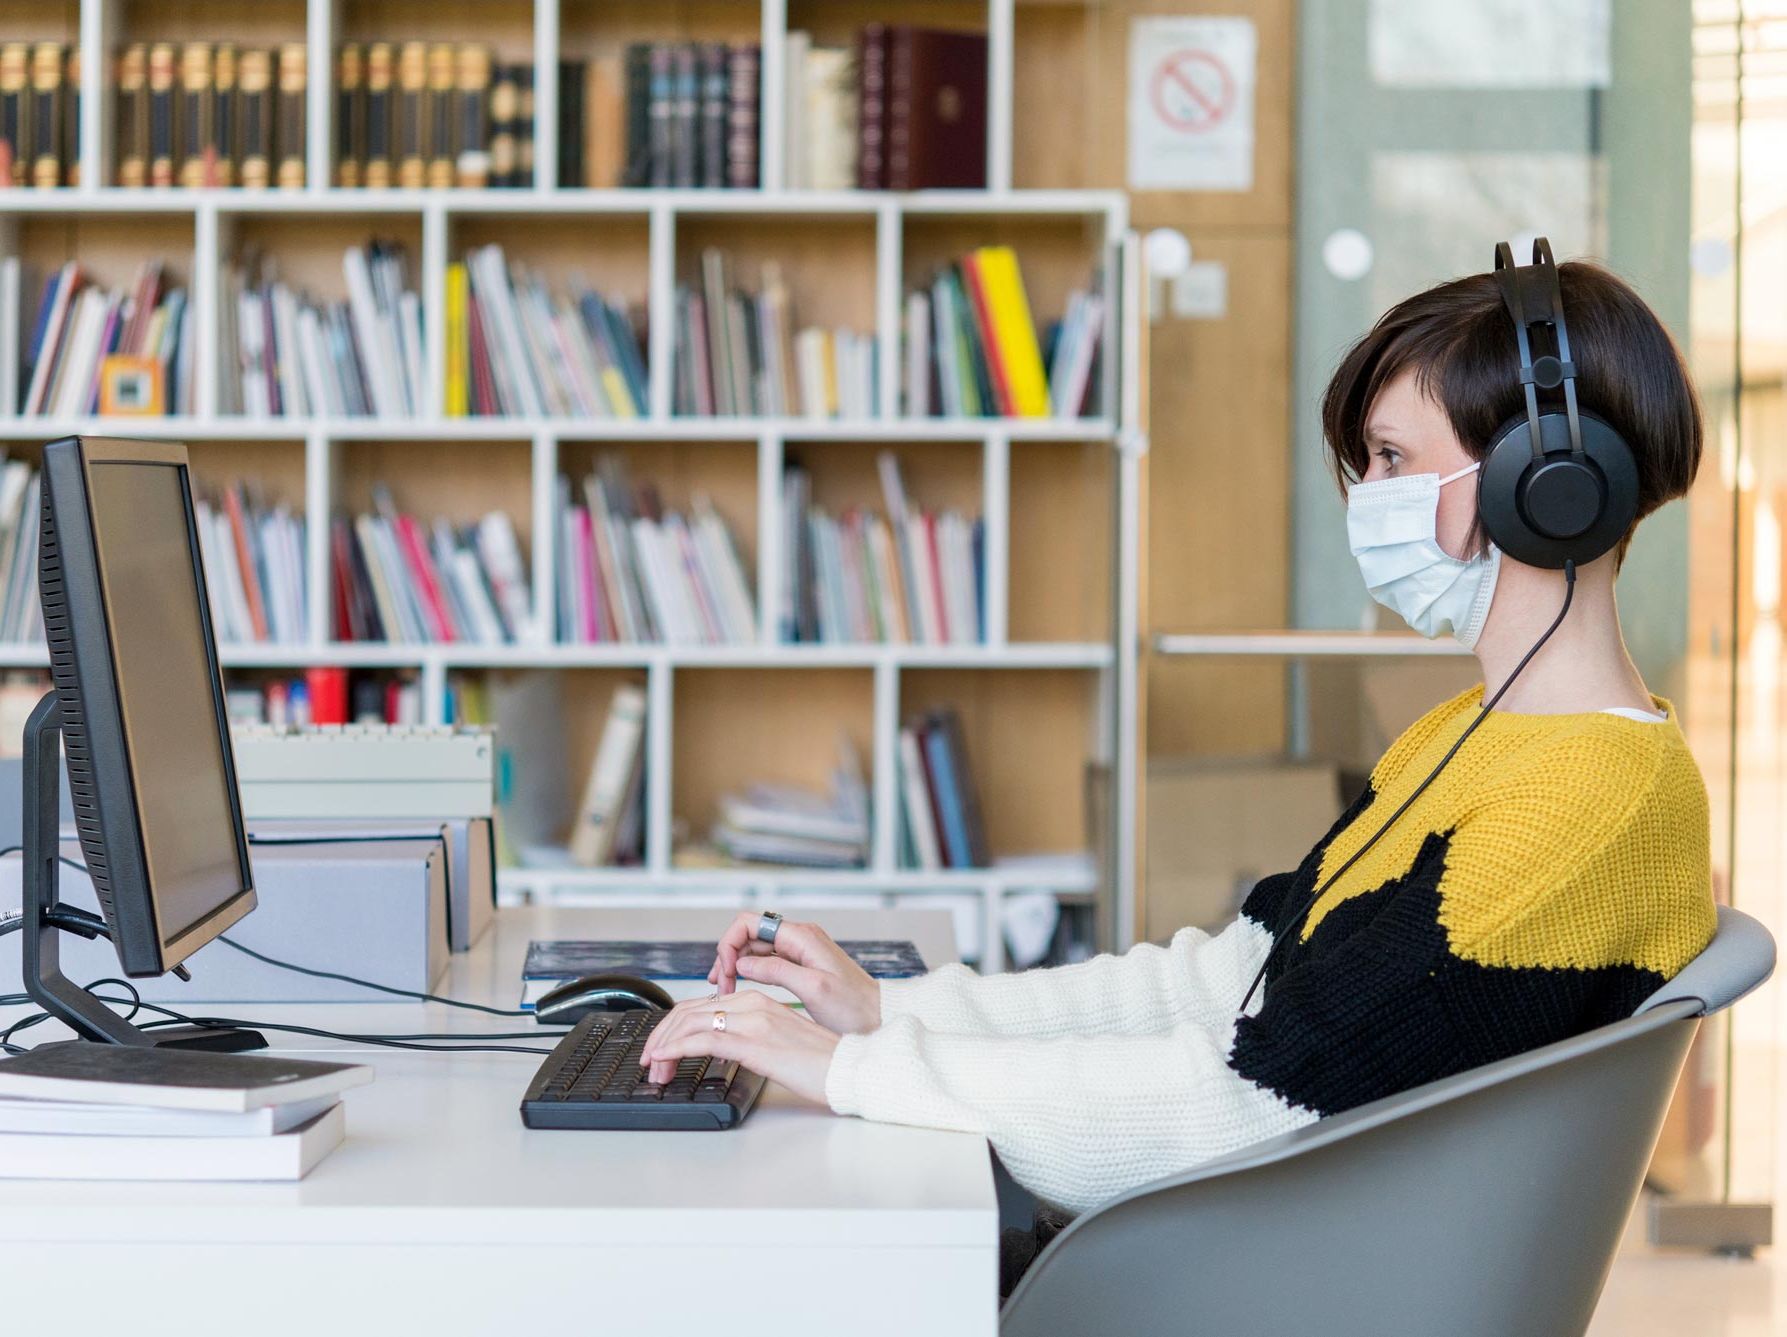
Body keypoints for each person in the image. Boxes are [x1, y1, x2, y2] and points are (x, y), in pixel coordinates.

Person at [639, 253, 1717, 1296]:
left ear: (1548, 483)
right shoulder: (1473, 735)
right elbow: (1218, 983)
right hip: (1264, 1237)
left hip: (1278, 1273)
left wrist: (846, 1072)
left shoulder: (1591, 798)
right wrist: (889, 1012)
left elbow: (1246, 1100)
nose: (1366, 495)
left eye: (1390, 458)